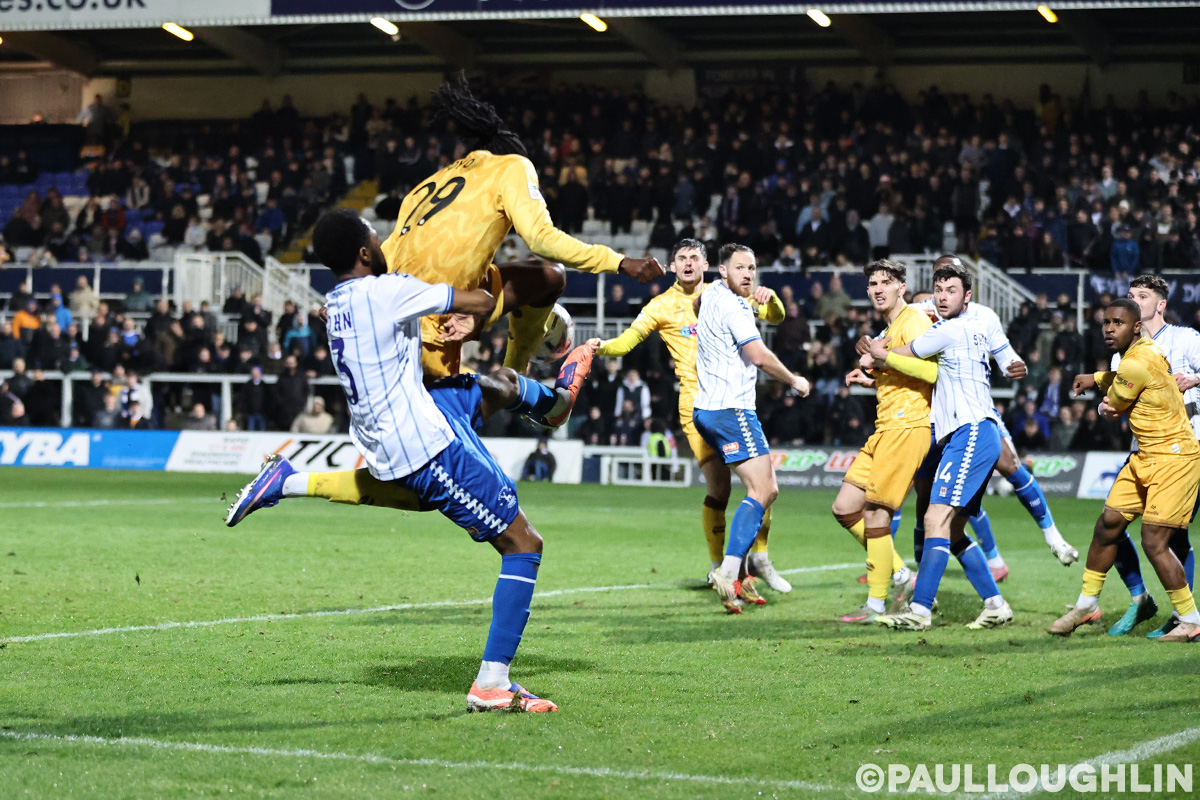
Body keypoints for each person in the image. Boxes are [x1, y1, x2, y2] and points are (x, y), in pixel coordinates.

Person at [225, 210, 560, 711]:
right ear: (365, 252)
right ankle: (492, 684)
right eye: (376, 237)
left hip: (388, 433)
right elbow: (479, 301)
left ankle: (552, 403)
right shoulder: (388, 291)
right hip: (423, 446)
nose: (384, 243)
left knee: (488, 388)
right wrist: (491, 290)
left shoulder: (335, 303)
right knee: (522, 543)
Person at [378, 72, 662, 381]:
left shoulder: (425, 186)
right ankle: (512, 383)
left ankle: (513, 374)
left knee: (547, 276)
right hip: (432, 328)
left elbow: (385, 256)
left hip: (385, 315)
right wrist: (620, 262)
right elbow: (542, 239)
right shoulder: (512, 165)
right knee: (455, 407)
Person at [587, 239, 792, 591]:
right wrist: (599, 347)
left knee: (761, 483)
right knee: (720, 489)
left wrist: (770, 298)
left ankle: (760, 558)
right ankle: (717, 568)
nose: (688, 263)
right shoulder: (661, 306)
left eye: (694, 258)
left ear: (706, 264)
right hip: (696, 406)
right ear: (672, 266)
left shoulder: (724, 294)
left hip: (731, 400)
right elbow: (626, 342)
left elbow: (776, 316)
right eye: (681, 258)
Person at [871, 259, 1018, 631]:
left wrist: (874, 353)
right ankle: (996, 604)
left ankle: (919, 610)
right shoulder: (970, 329)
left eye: (951, 290)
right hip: (973, 433)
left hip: (970, 432)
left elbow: (899, 352)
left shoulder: (950, 329)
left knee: (934, 518)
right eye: (938, 290)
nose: (941, 297)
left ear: (968, 296)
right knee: (952, 531)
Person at [1049, 300, 1200, 643]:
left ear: (1136, 327)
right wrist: (1095, 377)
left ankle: (1190, 620)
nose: (1108, 328)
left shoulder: (1134, 362)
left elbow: (1113, 405)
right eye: (1106, 322)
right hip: (1145, 455)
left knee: (1154, 541)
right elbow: (1125, 380)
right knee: (1108, 525)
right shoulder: (1144, 352)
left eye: (1118, 322)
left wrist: (1101, 395)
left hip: (1174, 458)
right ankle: (1086, 604)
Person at [693, 243, 810, 613]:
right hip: (732, 409)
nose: (747, 274)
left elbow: (699, 306)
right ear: (723, 271)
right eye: (739, 267)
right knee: (764, 489)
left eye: (752, 268)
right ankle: (730, 571)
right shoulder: (734, 306)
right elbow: (759, 356)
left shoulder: (710, 294)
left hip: (706, 410)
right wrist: (794, 380)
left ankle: (740, 569)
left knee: (759, 489)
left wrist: (765, 301)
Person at [1101, 275, 1200, 638]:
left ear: (1160, 305)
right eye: (1130, 295)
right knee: (1110, 526)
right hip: (1142, 452)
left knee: (1171, 537)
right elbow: (1116, 397)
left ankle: (1183, 618)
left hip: (1184, 449)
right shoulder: (1122, 351)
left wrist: (1195, 379)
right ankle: (1140, 597)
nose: (1134, 300)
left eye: (1142, 296)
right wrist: (1106, 406)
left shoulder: (1186, 339)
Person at [835, 260, 931, 623]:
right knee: (845, 507)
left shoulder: (914, 320)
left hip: (907, 427)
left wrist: (883, 357)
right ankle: (901, 574)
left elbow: (933, 372)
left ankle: (875, 604)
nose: (878, 289)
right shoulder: (888, 328)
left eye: (885, 282)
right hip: (884, 428)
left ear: (901, 288)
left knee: (876, 514)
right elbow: (900, 374)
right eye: (873, 283)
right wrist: (872, 378)